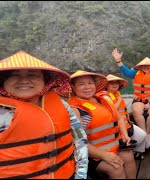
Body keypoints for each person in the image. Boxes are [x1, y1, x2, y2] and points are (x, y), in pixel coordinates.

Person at [0, 51, 88, 179]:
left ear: (45, 80)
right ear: (3, 80)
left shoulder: (62, 105)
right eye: (14, 75)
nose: (24, 80)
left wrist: (81, 175)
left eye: (32, 74)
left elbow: (80, 140)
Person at [68, 70, 136, 179]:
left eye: (90, 83)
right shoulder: (75, 109)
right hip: (93, 155)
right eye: (81, 84)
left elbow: (118, 118)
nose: (87, 87)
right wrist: (105, 155)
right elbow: (79, 142)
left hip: (114, 146)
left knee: (129, 156)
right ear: (73, 87)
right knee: (116, 168)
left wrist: (125, 135)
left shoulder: (103, 98)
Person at [112, 48, 150, 149]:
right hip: (139, 99)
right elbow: (125, 71)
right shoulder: (135, 73)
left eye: (148, 66)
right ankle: (144, 134)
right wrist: (118, 61)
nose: (146, 67)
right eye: (144, 65)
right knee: (136, 110)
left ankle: (147, 134)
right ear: (141, 66)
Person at [95, 74, 147, 160]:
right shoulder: (104, 97)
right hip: (117, 127)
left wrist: (129, 121)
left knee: (142, 135)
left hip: (126, 124)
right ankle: (129, 154)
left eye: (116, 83)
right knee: (129, 142)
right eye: (112, 83)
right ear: (106, 85)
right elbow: (113, 110)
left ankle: (136, 152)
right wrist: (119, 100)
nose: (115, 85)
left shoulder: (116, 93)